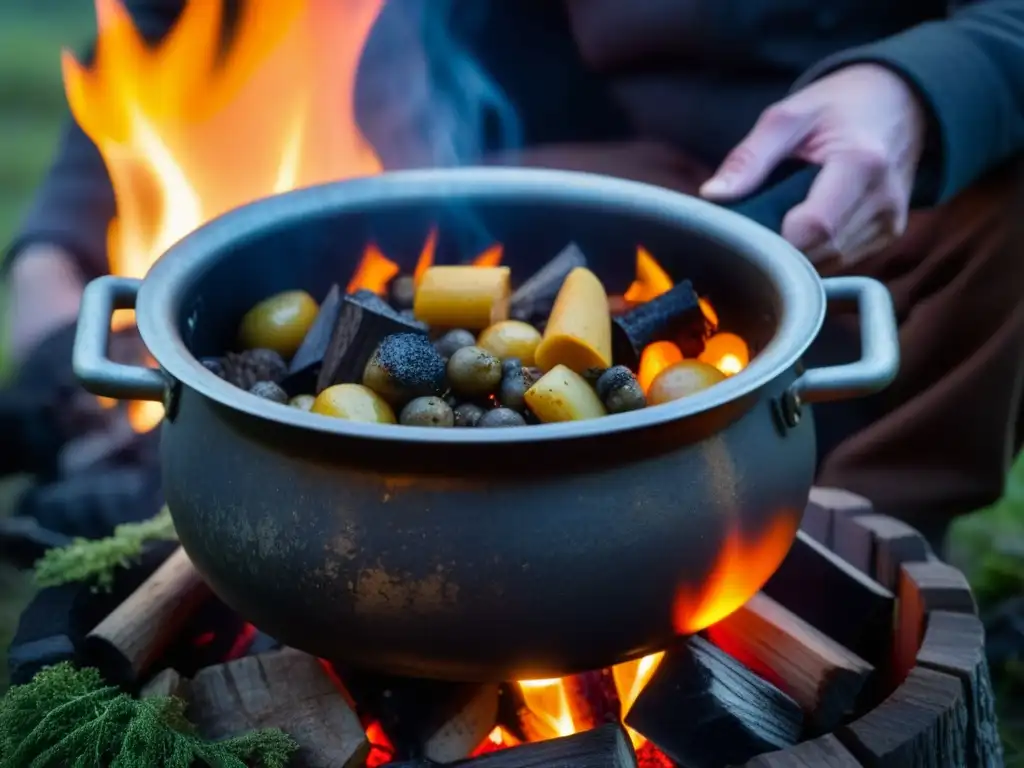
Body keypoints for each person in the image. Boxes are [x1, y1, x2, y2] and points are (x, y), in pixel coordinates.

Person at [5, 0, 1024, 546]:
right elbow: (180, 44)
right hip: (598, 187)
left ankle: (844, 562)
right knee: (346, 214)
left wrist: (925, 87)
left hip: (877, 203)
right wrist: (54, 278)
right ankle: (164, 473)